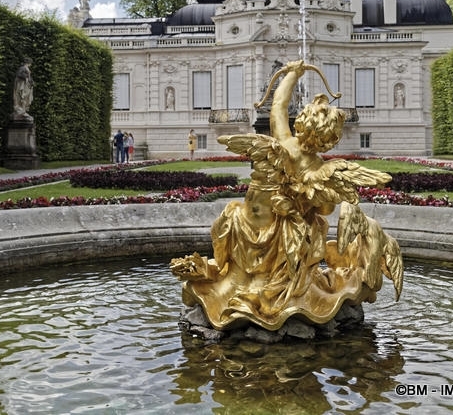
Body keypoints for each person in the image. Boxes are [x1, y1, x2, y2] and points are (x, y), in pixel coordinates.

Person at [171, 60, 403, 330]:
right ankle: (265, 289)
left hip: (246, 219)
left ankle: (223, 273)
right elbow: (325, 208)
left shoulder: (283, 142)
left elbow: (278, 107)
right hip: (277, 227)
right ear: (330, 139)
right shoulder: (319, 168)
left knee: (227, 217)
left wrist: (292, 75)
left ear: (302, 123)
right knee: (313, 225)